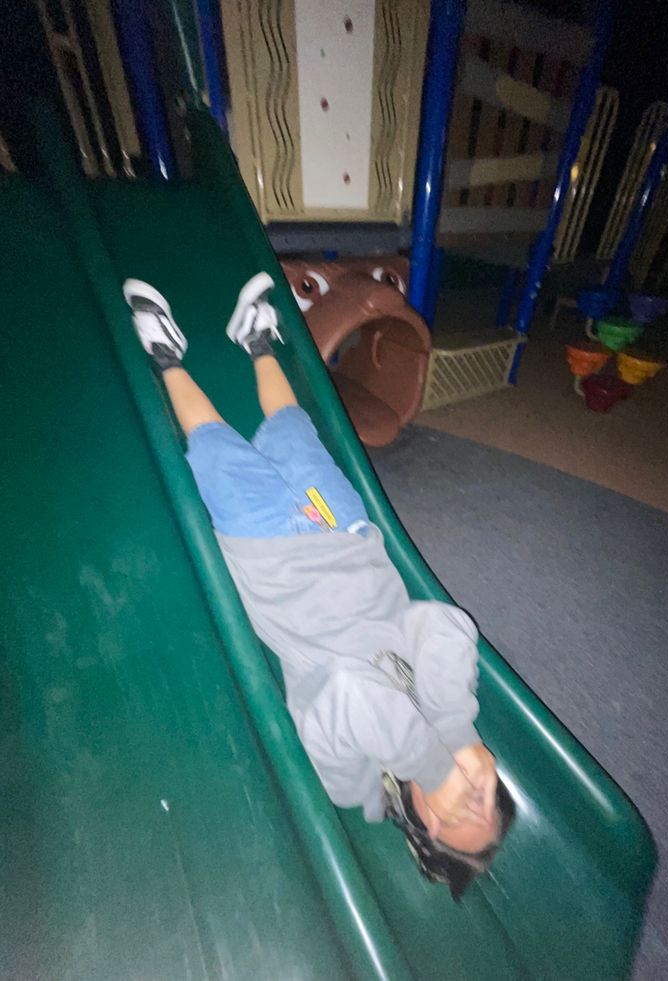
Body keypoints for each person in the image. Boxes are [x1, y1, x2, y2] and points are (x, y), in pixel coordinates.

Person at [123, 273, 513, 899]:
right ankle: (259, 342)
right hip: (343, 530)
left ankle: (166, 358)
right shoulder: (439, 714)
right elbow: (446, 624)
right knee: (294, 431)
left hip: (270, 551)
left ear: (421, 828)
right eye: (480, 803)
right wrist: (459, 735)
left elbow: (351, 693)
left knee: (217, 448)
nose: (460, 802)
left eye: (454, 820)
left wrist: (431, 765)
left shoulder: (353, 782)